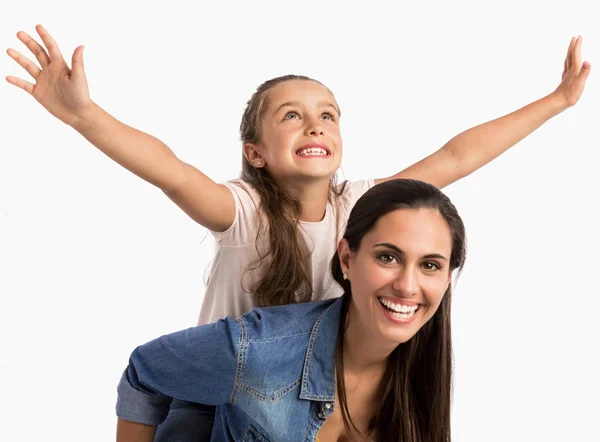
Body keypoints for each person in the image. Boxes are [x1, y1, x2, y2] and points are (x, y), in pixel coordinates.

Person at [5, 25, 590, 441]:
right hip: (218, 397)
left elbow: (457, 155)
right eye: (292, 115)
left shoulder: (360, 207)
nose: (315, 123)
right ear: (254, 152)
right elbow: (170, 170)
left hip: (309, 392)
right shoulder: (243, 213)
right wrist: (85, 115)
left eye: (328, 113)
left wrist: (557, 102)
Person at [116, 178, 467, 442]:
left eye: (430, 265)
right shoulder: (259, 349)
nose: (407, 286)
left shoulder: (425, 372)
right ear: (347, 257)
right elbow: (145, 371)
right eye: (388, 257)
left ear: (448, 278)